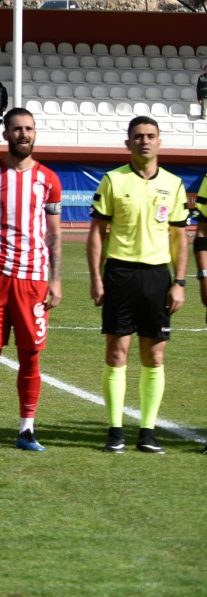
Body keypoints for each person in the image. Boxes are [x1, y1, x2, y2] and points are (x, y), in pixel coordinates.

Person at [89, 116, 188, 455]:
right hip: (120, 274)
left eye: (150, 136)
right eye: (138, 136)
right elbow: (96, 233)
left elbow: (179, 237)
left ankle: (147, 431)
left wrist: (179, 282)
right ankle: (115, 431)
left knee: (154, 355)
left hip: (158, 277)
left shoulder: (174, 185)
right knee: (117, 353)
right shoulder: (113, 181)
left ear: (159, 141)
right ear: (127, 143)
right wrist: (96, 276)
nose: (144, 141)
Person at [0, 108, 63, 452]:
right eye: (18, 129)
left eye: (29, 129)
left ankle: (26, 430)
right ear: (5, 134)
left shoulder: (48, 179)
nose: (24, 134)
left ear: (34, 134)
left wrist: (56, 279)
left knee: (31, 356)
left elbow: (53, 233)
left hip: (34, 280)